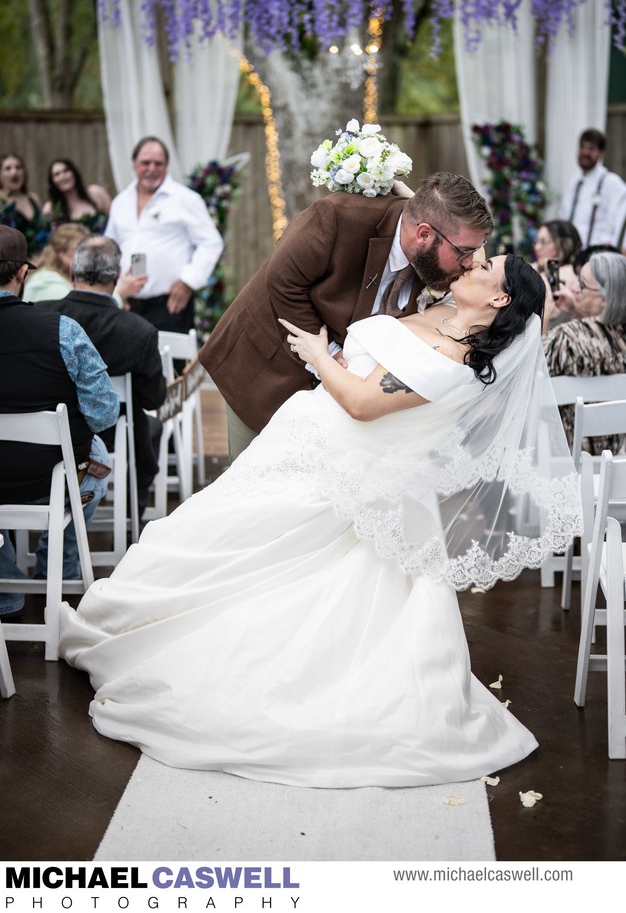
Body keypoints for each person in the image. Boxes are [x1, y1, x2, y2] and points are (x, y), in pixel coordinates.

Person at [60, 253, 580, 786]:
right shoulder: (441, 312)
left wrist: (316, 354)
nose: (474, 262)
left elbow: (359, 403)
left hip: (335, 467)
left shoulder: (450, 357)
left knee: (262, 562)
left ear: (499, 298)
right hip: (303, 445)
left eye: (487, 265)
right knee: (215, 531)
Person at [199, 172, 493, 463]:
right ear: (424, 234)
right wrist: (329, 356)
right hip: (264, 368)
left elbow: (483, 274)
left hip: (334, 406)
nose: (469, 263)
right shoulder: (338, 216)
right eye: (464, 252)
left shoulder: (439, 261)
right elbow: (281, 281)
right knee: (251, 483)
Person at [0, 225, 120, 617]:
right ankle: (58, 571)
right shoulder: (62, 330)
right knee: (97, 457)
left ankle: (6, 588)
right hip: (51, 480)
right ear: (22, 274)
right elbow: (103, 414)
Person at [38, 236, 167, 521]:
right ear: (117, 276)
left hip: (43, 439)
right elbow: (153, 398)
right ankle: (133, 520)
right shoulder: (139, 331)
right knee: (152, 428)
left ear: (73, 273)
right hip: (113, 439)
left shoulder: (40, 315)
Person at [105, 136, 224, 336]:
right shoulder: (121, 202)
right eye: (145, 163)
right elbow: (110, 248)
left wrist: (188, 282)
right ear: (134, 164)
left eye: (158, 163)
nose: (152, 168)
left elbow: (211, 243)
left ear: (166, 166)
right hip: (127, 305)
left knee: (171, 366)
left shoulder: (185, 199)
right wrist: (114, 290)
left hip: (170, 305)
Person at [544, 251, 626, 450]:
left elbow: (534, 370)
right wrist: (577, 311)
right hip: (616, 447)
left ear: (607, 298)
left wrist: (544, 313)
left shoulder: (567, 339)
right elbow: (603, 342)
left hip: (567, 451)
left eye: (582, 284)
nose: (574, 288)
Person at [560, 129, 626, 247]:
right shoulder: (574, 182)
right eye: (582, 147)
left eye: (591, 148)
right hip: (571, 252)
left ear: (601, 153)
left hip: (596, 254)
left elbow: (621, 219)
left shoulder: (611, 182)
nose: (585, 152)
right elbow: (564, 216)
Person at [532, 219, 582, 331]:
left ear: (564, 245)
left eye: (544, 242)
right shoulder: (537, 267)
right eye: (536, 241)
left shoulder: (568, 273)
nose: (537, 247)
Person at [22, 222, 90, 303]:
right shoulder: (50, 284)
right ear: (63, 253)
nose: (88, 255)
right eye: (81, 250)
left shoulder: (56, 279)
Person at [43, 158, 112, 235]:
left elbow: (116, 219)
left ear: (74, 172)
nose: (63, 176)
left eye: (66, 171)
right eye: (57, 174)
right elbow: (48, 238)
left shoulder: (96, 193)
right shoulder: (50, 207)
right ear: (52, 180)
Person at [0, 152, 49, 258]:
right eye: (8, 168)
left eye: (18, 167)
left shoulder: (33, 198)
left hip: (40, 261)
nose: (14, 171)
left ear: (24, 173)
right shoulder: (1, 200)